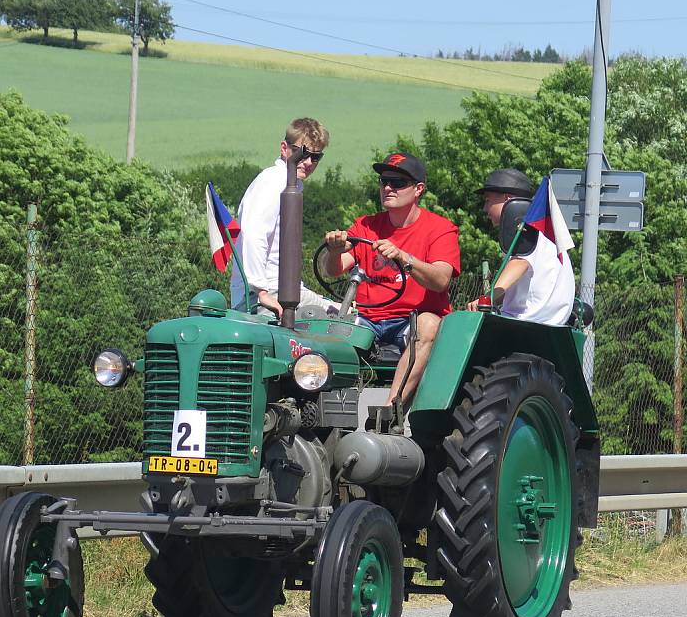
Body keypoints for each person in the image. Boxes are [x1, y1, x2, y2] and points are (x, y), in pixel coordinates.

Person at [325, 152, 461, 407]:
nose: (388, 188)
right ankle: (322, 413)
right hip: (367, 320)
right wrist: (333, 251)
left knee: (430, 325)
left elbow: (441, 280)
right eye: (384, 181)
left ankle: (390, 409)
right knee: (321, 328)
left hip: (410, 321)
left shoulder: (440, 229)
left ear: (418, 189)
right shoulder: (365, 226)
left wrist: (405, 258)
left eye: (397, 183)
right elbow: (335, 269)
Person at [230, 117, 337, 317]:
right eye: (301, 154)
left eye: (315, 157)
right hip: (264, 293)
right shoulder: (272, 181)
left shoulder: (292, 183)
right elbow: (253, 234)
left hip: (284, 289)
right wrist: (261, 292)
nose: (307, 162)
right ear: (283, 148)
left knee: (346, 314)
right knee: (350, 322)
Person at [467, 168, 575, 324]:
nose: (485, 209)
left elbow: (520, 263)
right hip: (549, 324)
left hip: (526, 323)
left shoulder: (528, 231)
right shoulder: (545, 233)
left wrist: (486, 300)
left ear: (507, 198)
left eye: (488, 200)